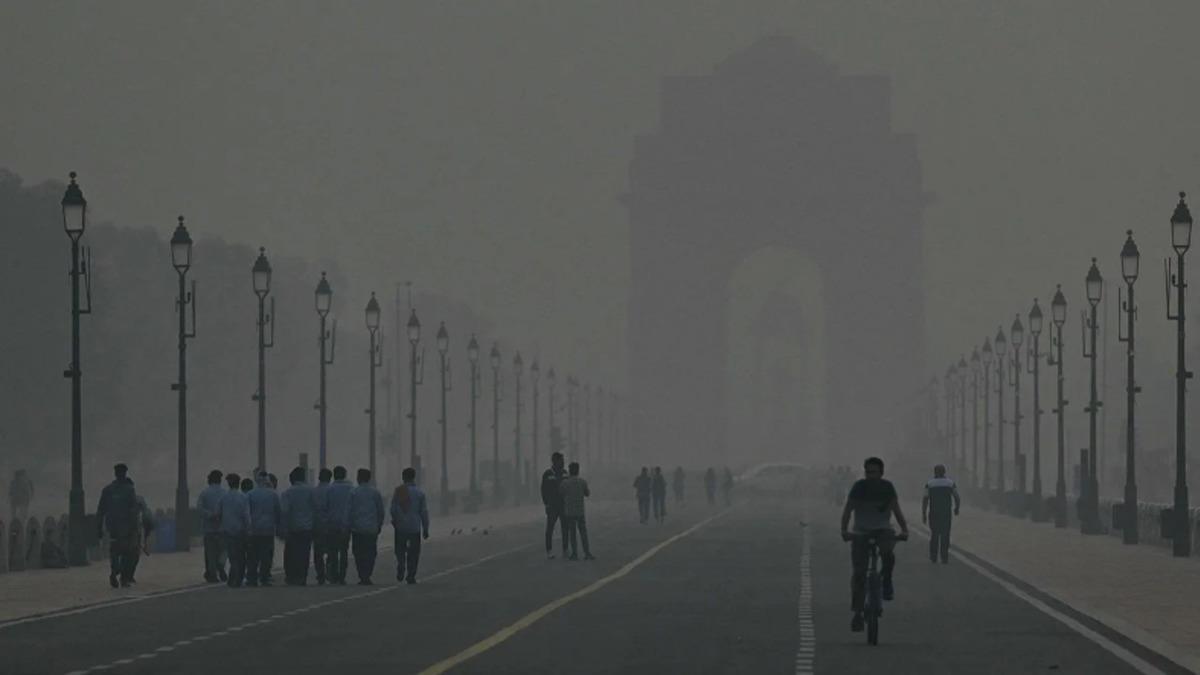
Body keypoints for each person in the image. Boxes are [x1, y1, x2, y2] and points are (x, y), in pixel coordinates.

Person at [839, 457, 909, 633]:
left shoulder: (887, 488)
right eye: (868, 472)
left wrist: (904, 530)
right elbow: (848, 510)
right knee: (859, 574)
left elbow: (896, 510)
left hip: (883, 530)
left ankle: (886, 581)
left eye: (874, 472)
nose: (871, 475)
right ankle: (857, 612)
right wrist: (844, 531)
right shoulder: (858, 488)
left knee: (888, 555)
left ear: (881, 473)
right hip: (861, 532)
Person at [96, 463, 140, 588]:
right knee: (126, 552)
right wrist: (135, 527)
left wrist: (99, 527)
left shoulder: (108, 490)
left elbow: (100, 510)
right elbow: (133, 510)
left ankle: (115, 572)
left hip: (113, 527)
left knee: (115, 551)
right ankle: (123, 578)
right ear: (124, 473)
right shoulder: (129, 490)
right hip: (125, 528)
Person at [390, 467, 430, 584]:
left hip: (401, 527)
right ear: (414, 477)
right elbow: (423, 512)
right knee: (414, 552)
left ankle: (401, 563)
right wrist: (426, 528)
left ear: (403, 477)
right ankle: (411, 575)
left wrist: (395, 520)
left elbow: (392, 509)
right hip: (414, 527)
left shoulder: (399, 491)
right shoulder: (420, 493)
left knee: (400, 550)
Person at [280, 466, 318, 586]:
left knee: (291, 554)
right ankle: (302, 577)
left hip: (293, 528)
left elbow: (284, 512)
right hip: (307, 528)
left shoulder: (287, 493)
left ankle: (291, 576)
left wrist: (283, 528)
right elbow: (316, 509)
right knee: (304, 554)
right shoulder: (311, 491)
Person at [348, 468, 384, 585]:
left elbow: (349, 510)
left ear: (358, 478)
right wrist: (379, 525)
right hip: (371, 528)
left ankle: (362, 574)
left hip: (357, 528)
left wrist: (348, 525)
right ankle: (367, 574)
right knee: (370, 552)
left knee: (358, 552)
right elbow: (380, 511)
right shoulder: (375, 493)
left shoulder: (353, 492)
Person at [216, 473, 250, 588]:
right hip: (240, 531)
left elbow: (218, 513)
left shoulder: (223, 498)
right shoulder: (243, 497)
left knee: (232, 556)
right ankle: (237, 579)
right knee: (241, 557)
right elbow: (246, 516)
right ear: (238, 483)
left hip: (226, 530)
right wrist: (248, 529)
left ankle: (232, 579)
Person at [247, 471, 281, 586]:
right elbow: (278, 512)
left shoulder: (250, 494)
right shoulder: (273, 494)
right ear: (267, 481)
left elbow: (246, 512)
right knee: (266, 555)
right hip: (268, 529)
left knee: (253, 556)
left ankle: (251, 578)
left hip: (254, 529)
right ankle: (264, 577)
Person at [922, 464, 961, 564]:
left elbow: (925, 499)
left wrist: (924, 513)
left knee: (934, 535)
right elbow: (957, 497)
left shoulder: (929, 483)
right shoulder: (950, 483)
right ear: (944, 472)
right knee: (945, 535)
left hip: (934, 512)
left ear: (935, 472)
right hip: (946, 513)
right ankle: (944, 557)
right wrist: (956, 508)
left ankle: (933, 556)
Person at [196, 469, 227, 583]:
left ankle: (212, 574)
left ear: (209, 480)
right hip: (222, 527)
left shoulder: (204, 493)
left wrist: (209, 515)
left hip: (209, 528)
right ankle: (221, 565)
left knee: (210, 553)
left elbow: (199, 508)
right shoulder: (225, 493)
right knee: (223, 550)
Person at [559, 462, 594, 561]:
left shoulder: (565, 483)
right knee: (583, 532)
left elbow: (561, 493)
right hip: (580, 511)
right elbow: (587, 493)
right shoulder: (582, 482)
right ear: (578, 470)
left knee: (572, 533)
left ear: (569, 471)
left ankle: (574, 553)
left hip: (570, 511)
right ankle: (587, 553)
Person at [326, 465, 354, 584]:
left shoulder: (329, 489)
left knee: (332, 552)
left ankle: (333, 575)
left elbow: (325, 506)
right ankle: (342, 576)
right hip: (346, 524)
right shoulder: (351, 489)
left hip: (332, 524)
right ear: (345, 475)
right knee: (343, 551)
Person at [540, 452, 569, 559]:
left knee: (565, 528)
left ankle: (565, 549)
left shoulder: (565, 473)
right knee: (550, 528)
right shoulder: (548, 473)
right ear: (555, 461)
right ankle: (549, 550)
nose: (563, 462)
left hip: (563, 505)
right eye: (561, 460)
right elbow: (543, 490)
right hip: (552, 506)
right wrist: (546, 503)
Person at [126, 495, 156, 584]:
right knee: (133, 555)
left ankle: (129, 575)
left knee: (134, 555)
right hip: (132, 533)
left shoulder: (143, 512)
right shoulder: (140, 510)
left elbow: (149, 524)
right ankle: (128, 576)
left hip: (135, 533)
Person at [312, 468, 333, 585]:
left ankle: (320, 574)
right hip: (330, 525)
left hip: (317, 525)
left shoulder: (314, 491)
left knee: (318, 552)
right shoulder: (332, 490)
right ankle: (330, 572)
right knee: (331, 551)